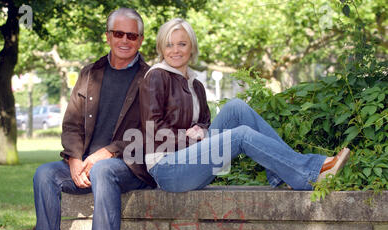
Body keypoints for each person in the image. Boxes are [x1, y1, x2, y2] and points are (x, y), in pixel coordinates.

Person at [139, 18, 350, 193]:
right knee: (240, 135)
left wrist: (201, 130)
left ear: (191, 46)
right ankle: (309, 174)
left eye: (182, 44)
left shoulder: (196, 84)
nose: (175, 50)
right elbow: (153, 130)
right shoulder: (156, 76)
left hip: (192, 159)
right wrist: (189, 136)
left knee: (236, 107)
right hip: (168, 169)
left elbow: (205, 123)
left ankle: (287, 173)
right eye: (169, 44)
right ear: (161, 47)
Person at [29, 8, 156, 230]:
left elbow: (152, 131)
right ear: (108, 37)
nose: (125, 40)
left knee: (104, 170)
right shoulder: (90, 74)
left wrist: (108, 152)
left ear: (141, 40)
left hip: (130, 166)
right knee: (44, 174)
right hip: (86, 163)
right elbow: (71, 124)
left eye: (132, 35)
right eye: (118, 33)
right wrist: (74, 158)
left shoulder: (151, 78)